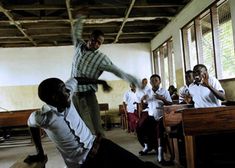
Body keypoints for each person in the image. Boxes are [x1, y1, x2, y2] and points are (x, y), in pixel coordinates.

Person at [24, 77, 159, 168]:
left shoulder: (67, 95)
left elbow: (76, 79)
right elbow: (31, 125)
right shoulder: (42, 116)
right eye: (64, 90)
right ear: (54, 97)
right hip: (84, 163)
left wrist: (100, 81)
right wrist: (39, 152)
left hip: (99, 145)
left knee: (140, 165)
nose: (69, 92)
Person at [71, 15, 140, 137]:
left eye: (99, 43)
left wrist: (135, 81)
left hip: (88, 95)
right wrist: (80, 17)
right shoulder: (78, 46)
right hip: (74, 95)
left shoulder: (101, 58)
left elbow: (117, 71)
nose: (96, 44)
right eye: (94, 40)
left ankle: (101, 149)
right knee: (79, 127)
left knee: (96, 127)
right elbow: (75, 32)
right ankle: (86, 152)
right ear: (89, 38)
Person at [136, 74, 173, 165]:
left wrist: (162, 99)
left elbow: (170, 104)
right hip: (151, 116)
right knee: (140, 127)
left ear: (159, 81)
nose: (154, 82)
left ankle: (160, 157)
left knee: (159, 130)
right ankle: (147, 146)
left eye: (156, 80)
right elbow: (145, 106)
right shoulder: (148, 92)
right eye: (152, 81)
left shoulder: (164, 91)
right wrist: (142, 101)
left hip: (162, 116)